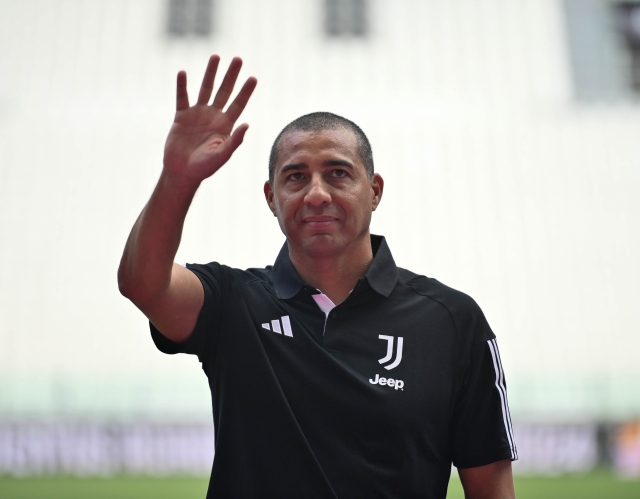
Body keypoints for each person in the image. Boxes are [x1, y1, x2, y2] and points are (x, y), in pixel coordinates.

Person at [118, 55, 517, 499]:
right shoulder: (234, 303)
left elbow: (490, 486)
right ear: (272, 198)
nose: (316, 194)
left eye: (338, 173)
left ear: (375, 190)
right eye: (295, 177)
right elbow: (142, 283)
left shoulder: (452, 320)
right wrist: (177, 179)